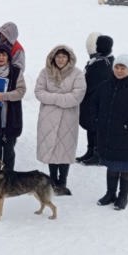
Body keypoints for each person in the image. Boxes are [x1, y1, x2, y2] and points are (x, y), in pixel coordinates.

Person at [92, 54, 128, 210]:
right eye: (117, 67)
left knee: (125, 168)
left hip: (127, 138)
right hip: (108, 135)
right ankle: (110, 194)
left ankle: (123, 196)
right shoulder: (105, 86)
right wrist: (97, 120)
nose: (119, 70)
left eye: (122, 68)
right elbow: (94, 104)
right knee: (111, 166)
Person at [34, 45, 86, 188]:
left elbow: (77, 96)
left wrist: (53, 98)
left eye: (63, 57)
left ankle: (62, 181)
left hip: (68, 118)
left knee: (65, 149)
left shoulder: (77, 74)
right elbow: (39, 92)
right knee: (50, 147)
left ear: (69, 58)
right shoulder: (45, 73)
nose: (60, 59)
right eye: (58, 56)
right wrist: (61, 98)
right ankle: (52, 179)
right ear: (53, 58)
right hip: (48, 118)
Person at [77, 33, 114, 165]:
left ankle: (98, 154)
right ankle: (90, 151)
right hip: (90, 101)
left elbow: (94, 83)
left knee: (96, 128)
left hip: (98, 102)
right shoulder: (97, 62)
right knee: (90, 126)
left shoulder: (104, 63)